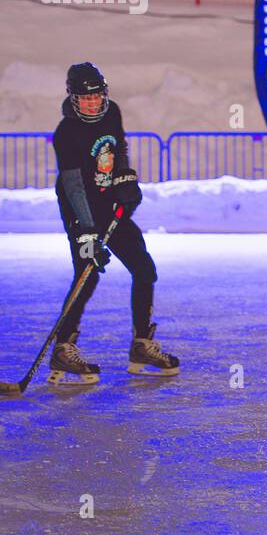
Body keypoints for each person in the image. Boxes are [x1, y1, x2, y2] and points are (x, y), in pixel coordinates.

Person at [49, 62, 178, 385]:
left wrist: (125, 179)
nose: (92, 104)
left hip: (110, 205)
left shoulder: (112, 113)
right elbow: (74, 185)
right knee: (87, 276)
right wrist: (87, 232)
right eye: (85, 99)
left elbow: (118, 149)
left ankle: (142, 344)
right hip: (80, 210)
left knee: (144, 269)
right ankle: (63, 349)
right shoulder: (66, 133)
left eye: (96, 97)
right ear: (73, 99)